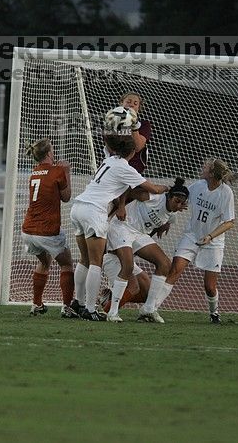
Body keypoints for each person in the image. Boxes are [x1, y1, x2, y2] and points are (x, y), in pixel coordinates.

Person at [70, 107, 169, 321]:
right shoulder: (126, 168)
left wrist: (113, 126)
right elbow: (152, 189)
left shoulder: (108, 159)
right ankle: (89, 308)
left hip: (78, 207)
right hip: (94, 211)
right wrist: (166, 189)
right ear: (132, 152)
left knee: (84, 260)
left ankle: (76, 303)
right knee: (95, 262)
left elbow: (108, 141)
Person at [101, 178, 190, 322]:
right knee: (128, 267)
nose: (178, 205)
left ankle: (148, 309)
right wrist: (122, 206)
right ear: (169, 197)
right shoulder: (154, 197)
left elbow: (156, 226)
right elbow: (129, 190)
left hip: (138, 234)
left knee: (165, 264)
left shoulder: (172, 215)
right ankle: (112, 312)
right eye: (176, 200)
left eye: (182, 202)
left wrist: (164, 225)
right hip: (122, 226)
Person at [165, 158, 235, 324]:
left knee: (210, 287)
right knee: (174, 270)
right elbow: (182, 202)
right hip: (191, 236)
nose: (202, 167)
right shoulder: (198, 186)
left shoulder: (226, 193)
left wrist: (210, 236)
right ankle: (151, 308)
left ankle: (214, 313)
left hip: (213, 242)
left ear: (211, 174)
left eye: (206, 166)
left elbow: (229, 222)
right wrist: (172, 214)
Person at [20, 138, 77, 318]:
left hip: (28, 230)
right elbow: (66, 197)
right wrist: (66, 172)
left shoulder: (34, 173)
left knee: (44, 262)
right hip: (47, 231)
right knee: (67, 263)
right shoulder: (57, 171)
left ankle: (36, 304)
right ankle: (67, 307)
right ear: (49, 153)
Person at [120, 92, 151, 175]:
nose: (132, 105)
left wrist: (134, 125)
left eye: (135, 103)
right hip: (115, 165)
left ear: (139, 108)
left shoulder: (144, 124)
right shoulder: (113, 122)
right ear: (121, 103)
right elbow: (110, 148)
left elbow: (138, 147)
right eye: (128, 102)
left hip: (134, 168)